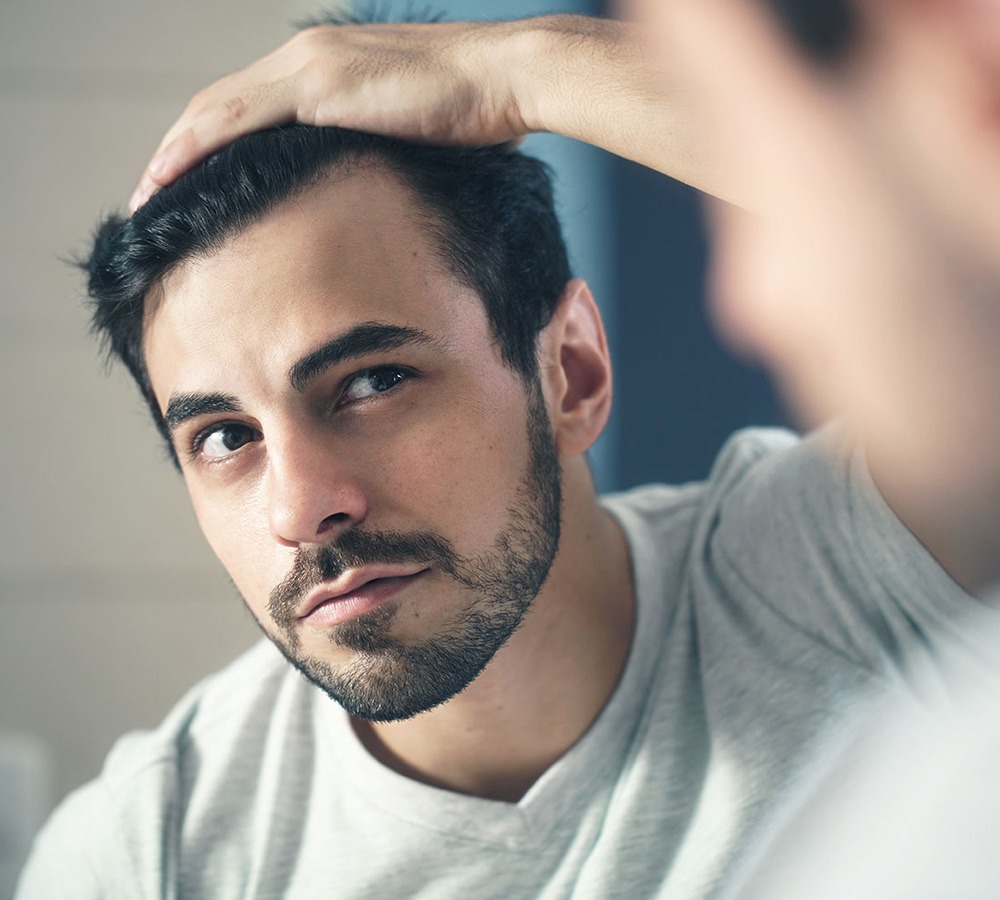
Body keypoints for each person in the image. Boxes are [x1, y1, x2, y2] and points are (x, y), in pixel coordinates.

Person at [17, 5, 1000, 900]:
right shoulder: (150, 854)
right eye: (226, 437)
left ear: (569, 371)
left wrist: (518, 71)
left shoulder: (856, 568)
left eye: (371, 381)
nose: (299, 506)